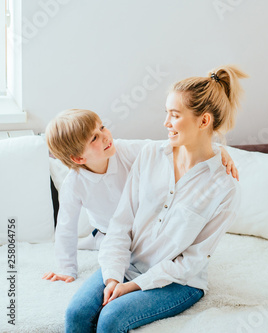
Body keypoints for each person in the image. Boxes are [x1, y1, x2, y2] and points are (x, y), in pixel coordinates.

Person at [64, 64, 247, 332]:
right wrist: (114, 276)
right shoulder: (149, 155)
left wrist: (133, 286)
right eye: (166, 113)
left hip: (179, 282)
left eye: (174, 115)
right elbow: (120, 224)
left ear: (204, 121)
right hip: (129, 263)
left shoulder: (225, 187)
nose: (166, 123)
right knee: (76, 313)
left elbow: (193, 261)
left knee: (112, 319)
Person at [42, 109, 238, 283]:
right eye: (94, 138)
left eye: (102, 127)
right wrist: (67, 270)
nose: (104, 136)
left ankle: (93, 242)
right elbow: (66, 227)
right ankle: (93, 241)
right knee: (113, 253)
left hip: (142, 228)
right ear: (79, 158)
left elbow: (169, 146)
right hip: (110, 232)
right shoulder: (74, 184)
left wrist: (216, 150)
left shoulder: (124, 150)